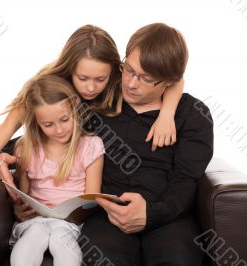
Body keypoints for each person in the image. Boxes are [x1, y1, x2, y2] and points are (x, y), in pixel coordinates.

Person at [0, 24, 185, 187]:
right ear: (70, 69)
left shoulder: (121, 81)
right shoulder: (51, 88)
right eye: (83, 79)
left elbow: (174, 78)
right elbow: (9, 125)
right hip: (47, 155)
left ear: (115, 70)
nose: (91, 88)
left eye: (99, 79)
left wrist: (166, 114)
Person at [77, 23, 214, 266]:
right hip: (108, 215)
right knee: (102, 258)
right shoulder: (102, 100)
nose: (130, 83)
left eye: (145, 78)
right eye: (128, 69)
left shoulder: (191, 114)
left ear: (169, 81)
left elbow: (186, 180)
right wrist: (3, 155)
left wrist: (151, 214)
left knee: (178, 259)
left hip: (169, 217)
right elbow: (50, 136)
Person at [7, 74, 105, 266]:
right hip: (35, 221)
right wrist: (19, 210)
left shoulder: (91, 146)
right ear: (36, 122)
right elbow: (23, 196)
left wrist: (69, 214)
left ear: (74, 108)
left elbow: (92, 198)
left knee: (61, 237)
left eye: (64, 119)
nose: (59, 130)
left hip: (70, 223)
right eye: (48, 125)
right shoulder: (26, 148)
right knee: (36, 233)